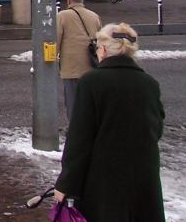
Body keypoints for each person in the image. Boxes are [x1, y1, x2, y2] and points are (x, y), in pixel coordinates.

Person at [54, 23, 165, 221]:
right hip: (143, 178)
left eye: (97, 47)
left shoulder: (91, 82)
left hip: (104, 178)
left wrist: (66, 184)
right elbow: (155, 128)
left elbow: (80, 138)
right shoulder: (149, 83)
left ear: (103, 50)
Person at [56, 0, 101, 121]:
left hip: (71, 67)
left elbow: (56, 40)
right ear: (82, 1)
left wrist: (51, 58)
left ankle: (76, 128)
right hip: (92, 65)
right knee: (89, 100)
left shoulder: (62, 16)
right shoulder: (94, 16)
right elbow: (100, 39)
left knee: (73, 101)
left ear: (69, 1)